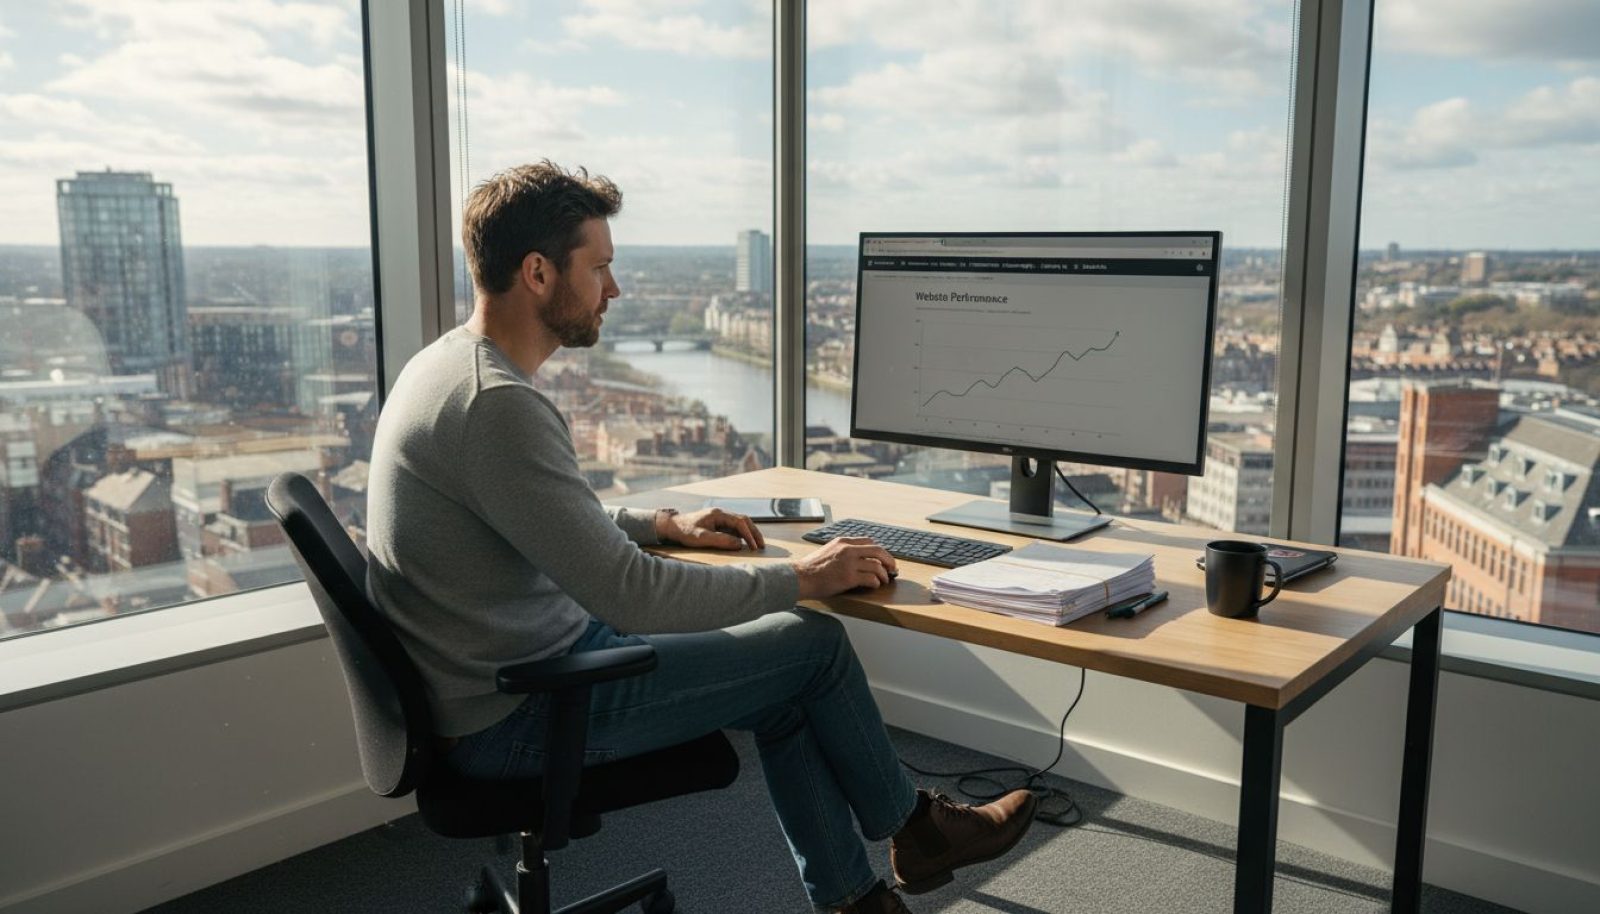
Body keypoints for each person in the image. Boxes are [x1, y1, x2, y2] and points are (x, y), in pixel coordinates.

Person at [366, 161, 1037, 914]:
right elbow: (631, 592)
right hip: (518, 715)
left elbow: (539, 517)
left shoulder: (449, 368)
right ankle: (918, 831)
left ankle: (860, 900)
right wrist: (807, 577)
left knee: (787, 687)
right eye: (601, 268)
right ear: (538, 272)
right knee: (811, 645)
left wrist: (662, 524)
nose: (614, 291)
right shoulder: (497, 405)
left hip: (491, 679)